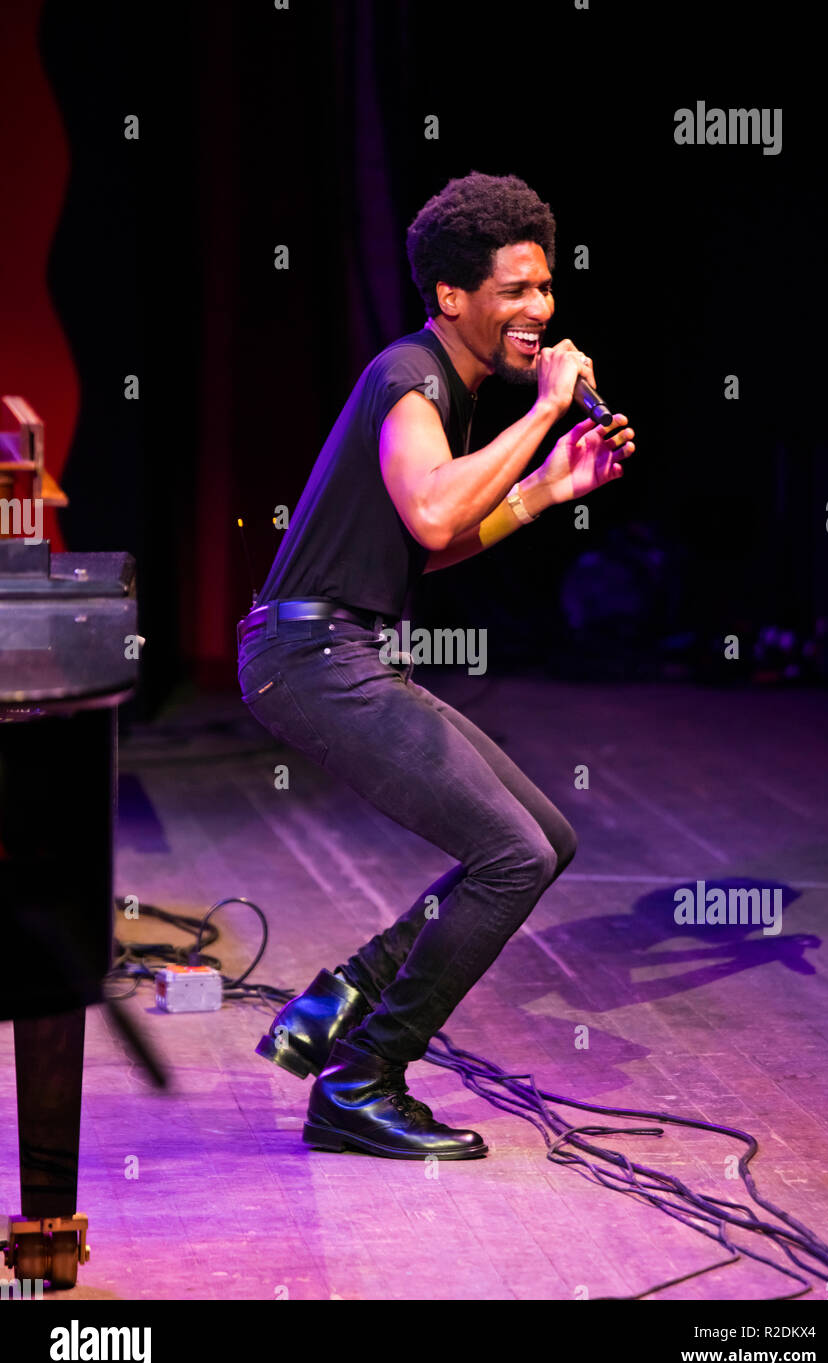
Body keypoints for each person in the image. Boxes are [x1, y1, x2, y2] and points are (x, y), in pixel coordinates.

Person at [237, 171, 636, 1161]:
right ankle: (361, 1075)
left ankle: (340, 997)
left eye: (543, 288)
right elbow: (431, 510)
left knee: (541, 836)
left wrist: (550, 487)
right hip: (315, 655)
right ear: (452, 296)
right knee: (512, 856)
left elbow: (434, 536)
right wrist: (544, 415)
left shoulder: (442, 386)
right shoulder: (411, 376)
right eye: (514, 290)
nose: (538, 311)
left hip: (342, 648)